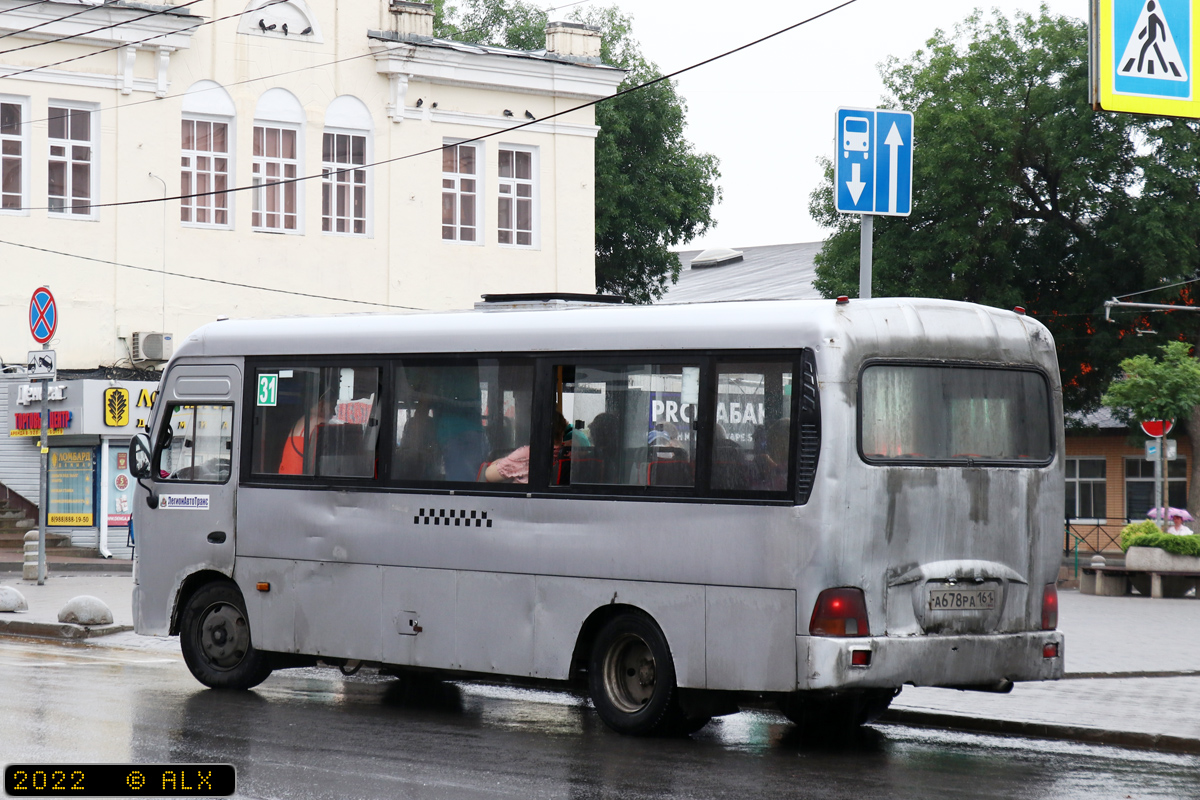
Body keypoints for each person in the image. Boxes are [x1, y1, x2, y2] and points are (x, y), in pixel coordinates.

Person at [485, 413, 567, 483]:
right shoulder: (566, 453)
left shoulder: (528, 454)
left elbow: (489, 475)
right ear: (562, 432)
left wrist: (499, 461)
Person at [279, 390, 333, 474]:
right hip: (297, 480)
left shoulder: (302, 420)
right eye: (331, 406)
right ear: (321, 403)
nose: (332, 411)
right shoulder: (316, 421)